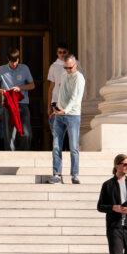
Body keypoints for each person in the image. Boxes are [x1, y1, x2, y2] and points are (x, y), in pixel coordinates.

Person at [48, 54, 85, 184]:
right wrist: (56, 107)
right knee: (56, 145)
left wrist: (65, 110)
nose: (68, 70)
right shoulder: (64, 75)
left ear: (75, 65)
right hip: (59, 114)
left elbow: (75, 97)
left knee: (73, 146)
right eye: (66, 67)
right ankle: (56, 174)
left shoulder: (79, 78)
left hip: (73, 115)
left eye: (70, 67)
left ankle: (74, 175)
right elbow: (61, 93)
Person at [0, 48, 35, 151]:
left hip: (22, 104)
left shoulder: (24, 68)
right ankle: (10, 156)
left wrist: (20, 88)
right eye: (11, 62)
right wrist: (3, 91)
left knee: (26, 132)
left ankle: (24, 155)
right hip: (8, 105)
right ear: (8, 60)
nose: (14, 64)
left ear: (18, 59)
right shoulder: (1, 70)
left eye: (16, 61)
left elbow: (32, 85)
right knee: (9, 133)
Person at [44, 41, 71, 126]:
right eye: (60, 52)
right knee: (56, 129)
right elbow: (51, 87)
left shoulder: (74, 65)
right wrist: (48, 107)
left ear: (67, 52)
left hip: (69, 101)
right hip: (56, 101)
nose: (62, 54)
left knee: (69, 129)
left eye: (64, 52)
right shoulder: (53, 67)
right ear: (57, 53)